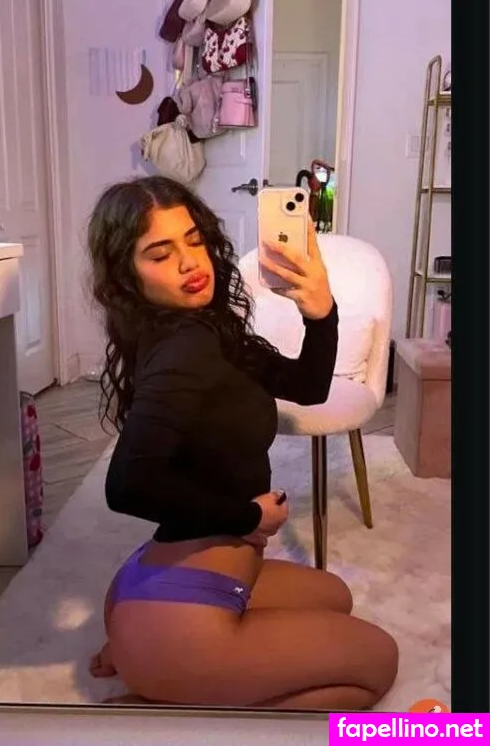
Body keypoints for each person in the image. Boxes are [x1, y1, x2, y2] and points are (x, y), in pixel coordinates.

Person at [86, 176, 398, 710]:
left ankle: (148, 650)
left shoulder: (207, 329)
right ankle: (168, 692)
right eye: (160, 254)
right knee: (377, 663)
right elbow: (128, 484)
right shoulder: (185, 350)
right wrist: (249, 517)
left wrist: (320, 310)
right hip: (179, 610)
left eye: (193, 240)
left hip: (169, 579)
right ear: (126, 276)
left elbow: (308, 387)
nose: (190, 263)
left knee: (335, 597)